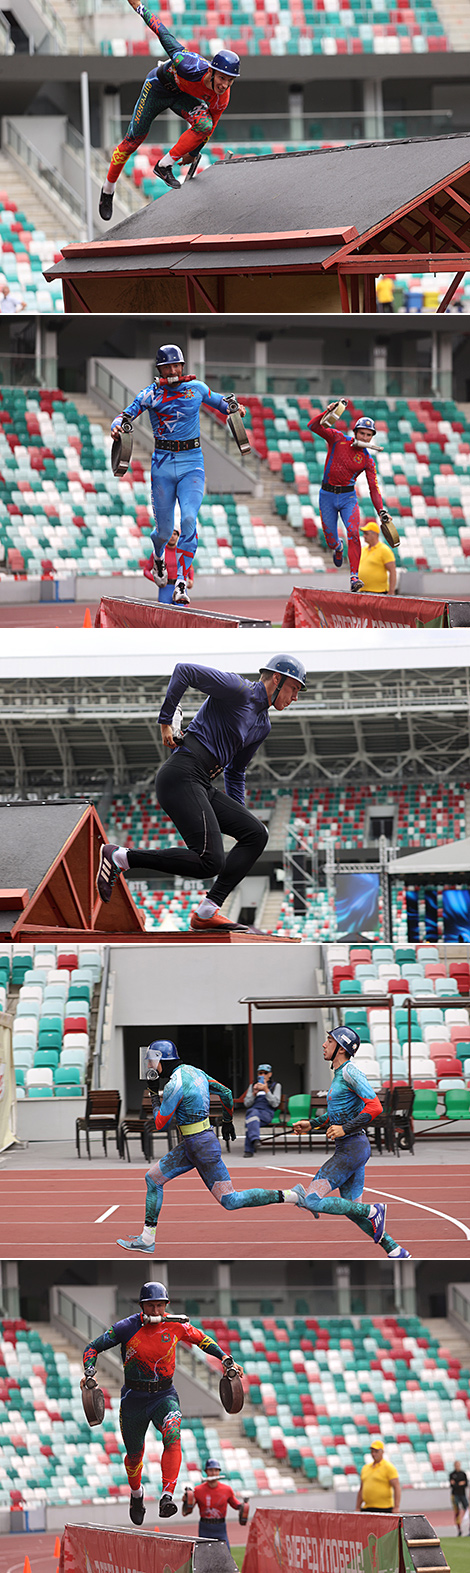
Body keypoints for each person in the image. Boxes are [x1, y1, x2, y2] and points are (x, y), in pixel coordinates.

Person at [96, 655, 306, 932]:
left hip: (203, 782)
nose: (294, 698)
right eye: (294, 689)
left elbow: (235, 772)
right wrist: (164, 722)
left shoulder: (262, 725)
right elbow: (185, 671)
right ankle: (119, 857)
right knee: (210, 861)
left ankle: (207, 912)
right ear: (276, 679)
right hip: (181, 774)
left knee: (256, 833)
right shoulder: (238, 689)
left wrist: (238, 818)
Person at [81, 1279, 243, 1523]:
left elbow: (203, 1340)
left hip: (164, 1396)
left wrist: (225, 1359)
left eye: (160, 1306)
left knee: (173, 1435)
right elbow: (92, 1348)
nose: (156, 1312)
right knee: (134, 1456)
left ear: (166, 1305)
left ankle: (167, 1496)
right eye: (151, 1306)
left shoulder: (176, 1325)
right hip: (133, 1399)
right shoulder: (126, 1327)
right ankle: (137, 1494)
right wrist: (89, 1372)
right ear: (141, 1306)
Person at [117, 1040, 294, 1255]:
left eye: (152, 1062)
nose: (149, 1067)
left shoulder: (174, 1084)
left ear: (162, 1060)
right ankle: (147, 1238)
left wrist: (154, 1094)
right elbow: (227, 1093)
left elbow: (159, 1123)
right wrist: (228, 1121)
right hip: (197, 1143)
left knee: (231, 1200)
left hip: (200, 1146)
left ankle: (290, 1195)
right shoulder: (195, 1071)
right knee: (152, 1178)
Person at [111, 344, 245, 607]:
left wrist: (236, 408)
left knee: (188, 519)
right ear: (159, 369)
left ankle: (182, 580)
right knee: (163, 531)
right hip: (162, 465)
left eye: (177, 365)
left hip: (192, 463)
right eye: (167, 366)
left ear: (183, 367)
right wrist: (117, 426)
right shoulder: (150, 394)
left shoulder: (197, 389)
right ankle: (158, 555)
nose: (173, 370)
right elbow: (125, 415)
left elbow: (222, 402)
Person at [99, 0, 239, 220]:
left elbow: (210, 127)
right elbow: (162, 32)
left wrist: (192, 153)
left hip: (179, 96)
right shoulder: (188, 64)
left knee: (205, 124)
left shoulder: (223, 97)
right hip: (157, 88)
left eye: (230, 82)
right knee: (132, 142)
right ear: (211, 72)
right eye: (222, 78)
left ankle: (164, 165)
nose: (224, 85)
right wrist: (139, 7)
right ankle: (108, 190)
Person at [286, 1026, 411, 1259]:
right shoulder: (339, 1075)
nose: (324, 1044)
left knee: (312, 1200)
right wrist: (312, 1124)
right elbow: (340, 1113)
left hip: (352, 1148)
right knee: (354, 1213)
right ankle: (395, 1250)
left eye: (329, 1041)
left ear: (341, 1048)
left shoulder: (350, 1072)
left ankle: (373, 1210)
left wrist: (345, 1129)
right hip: (353, 1148)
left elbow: (375, 1107)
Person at [308, 400, 391, 593]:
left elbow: (373, 489)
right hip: (327, 495)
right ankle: (338, 547)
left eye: (368, 435)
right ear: (355, 432)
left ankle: (354, 576)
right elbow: (312, 426)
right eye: (362, 433)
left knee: (354, 532)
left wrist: (381, 511)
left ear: (371, 438)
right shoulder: (337, 439)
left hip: (348, 498)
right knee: (331, 540)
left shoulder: (367, 460)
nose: (364, 437)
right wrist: (327, 412)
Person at [182, 1458, 249, 1546]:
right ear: (206, 1472)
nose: (213, 1473)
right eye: (211, 1470)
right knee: (203, 1556)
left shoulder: (227, 1490)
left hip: (220, 1528)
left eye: (216, 1470)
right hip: (205, 1528)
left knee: (225, 1556)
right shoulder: (198, 1490)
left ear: (219, 1472)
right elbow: (186, 1512)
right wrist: (186, 1501)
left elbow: (236, 1505)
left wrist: (243, 1506)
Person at [144, 518, 195, 604]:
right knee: (164, 614)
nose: (173, 536)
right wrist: (157, 580)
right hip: (165, 588)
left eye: (175, 534)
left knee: (182, 614)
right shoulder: (159, 553)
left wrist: (191, 579)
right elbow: (146, 571)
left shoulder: (182, 552)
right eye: (171, 534)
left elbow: (190, 567)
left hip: (179, 587)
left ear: (178, 536)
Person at [244, 1062, 281, 1156]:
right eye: (260, 1073)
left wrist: (266, 1090)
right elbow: (247, 1104)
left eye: (265, 1073)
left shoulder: (276, 1086)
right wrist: (254, 1093)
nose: (263, 1075)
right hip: (254, 1111)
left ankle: (249, 1149)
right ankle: (255, 1139)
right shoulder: (252, 1086)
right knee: (253, 1116)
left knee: (251, 1119)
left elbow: (275, 1103)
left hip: (267, 1112)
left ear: (270, 1074)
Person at [356, 1438, 401, 1513]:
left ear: (382, 1452)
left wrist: (396, 1506)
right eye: (372, 1451)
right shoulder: (365, 1468)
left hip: (384, 1508)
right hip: (367, 1507)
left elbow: (397, 1487)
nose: (374, 1454)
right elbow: (361, 1489)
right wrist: (357, 1507)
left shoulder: (388, 1467)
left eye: (376, 1451)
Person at [358, 519, 397, 596]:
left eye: (366, 533)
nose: (364, 536)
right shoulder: (363, 550)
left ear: (374, 534)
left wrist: (391, 591)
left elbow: (392, 571)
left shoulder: (384, 550)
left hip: (379, 592)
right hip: (363, 591)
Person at [449, 1460, 469, 1535]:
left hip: (462, 1494)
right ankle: (459, 1530)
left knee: (467, 1511)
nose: (457, 1466)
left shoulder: (463, 1474)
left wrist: (456, 1484)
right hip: (455, 1495)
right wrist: (460, 1484)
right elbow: (452, 1485)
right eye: (456, 1465)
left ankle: (469, 1529)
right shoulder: (452, 1474)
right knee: (457, 1512)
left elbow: (466, 1484)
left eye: (458, 1465)